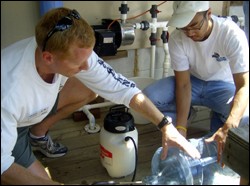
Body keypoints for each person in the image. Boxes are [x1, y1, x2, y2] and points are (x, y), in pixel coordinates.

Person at [1, 7, 201, 184]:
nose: (87, 66)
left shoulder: (66, 50)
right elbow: (2, 166)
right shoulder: (9, 90)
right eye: (79, 63)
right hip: (12, 129)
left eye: (89, 57)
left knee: (89, 87)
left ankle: (37, 134)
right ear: (48, 58)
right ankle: (25, 142)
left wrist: (166, 126)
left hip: (30, 112)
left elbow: (122, 89)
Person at [143, 1, 249, 166]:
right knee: (149, 98)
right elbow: (183, 85)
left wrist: (230, 125)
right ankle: (187, 116)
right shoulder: (178, 38)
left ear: (208, 14)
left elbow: (244, 85)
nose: (190, 33)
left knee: (245, 116)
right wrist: (181, 128)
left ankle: (222, 120)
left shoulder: (230, 33)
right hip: (193, 83)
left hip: (223, 87)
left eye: (194, 25)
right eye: (184, 27)